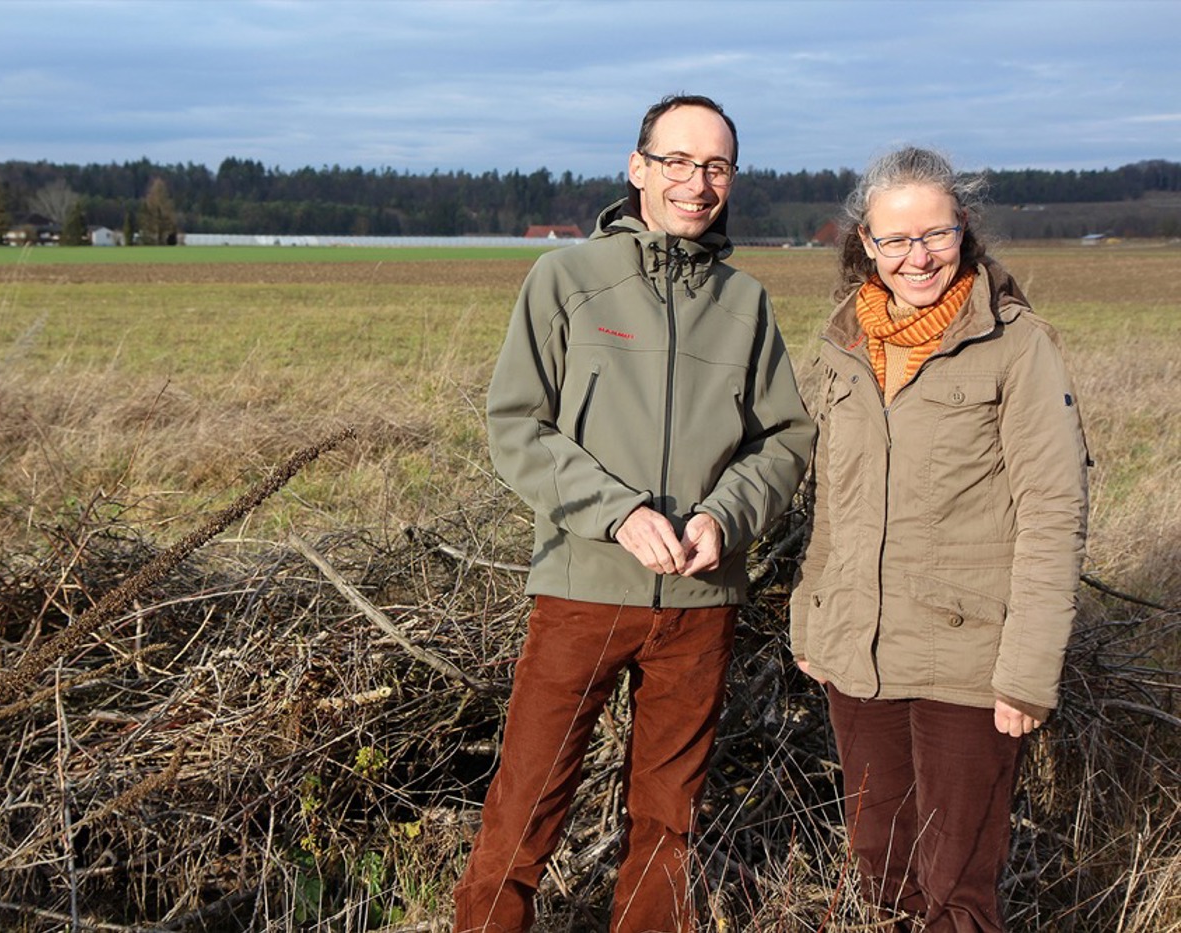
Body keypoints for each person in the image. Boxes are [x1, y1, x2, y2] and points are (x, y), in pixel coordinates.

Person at [453, 94, 815, 933]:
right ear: (638, 168)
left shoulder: (746, 302)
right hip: (582, 591)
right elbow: (516, 424)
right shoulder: (568, 279)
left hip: (700, 604)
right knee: (525, 806)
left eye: (717, 165)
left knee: (668, 821)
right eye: (679, 162)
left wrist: (726, 516)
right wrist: (616, 514)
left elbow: (785, 440)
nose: (698, 182)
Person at [790, 147, 1089, 932]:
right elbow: (832, 497)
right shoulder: (844, 344)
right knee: (883, 874)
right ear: (866, 243)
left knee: (957, 890)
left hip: (969, 664)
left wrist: (1028, 670)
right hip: (858, 655)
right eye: (897, 240)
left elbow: (1053, 509)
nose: (917, 256)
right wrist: (811, 612)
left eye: (937, 234)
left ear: (965, 231)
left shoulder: (1016, 345)